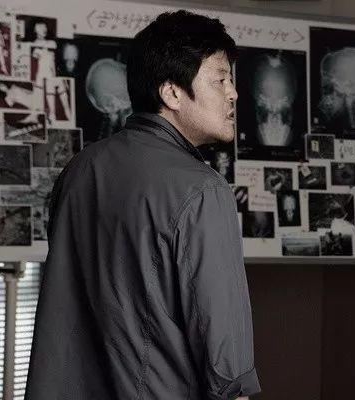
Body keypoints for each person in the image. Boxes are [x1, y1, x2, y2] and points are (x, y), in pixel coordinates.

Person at [25, 11, 260, 400]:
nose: (233, 93)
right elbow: (226, 363)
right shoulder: (203, 189)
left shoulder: (79, 169)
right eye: (220, 80)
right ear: (172, 93)